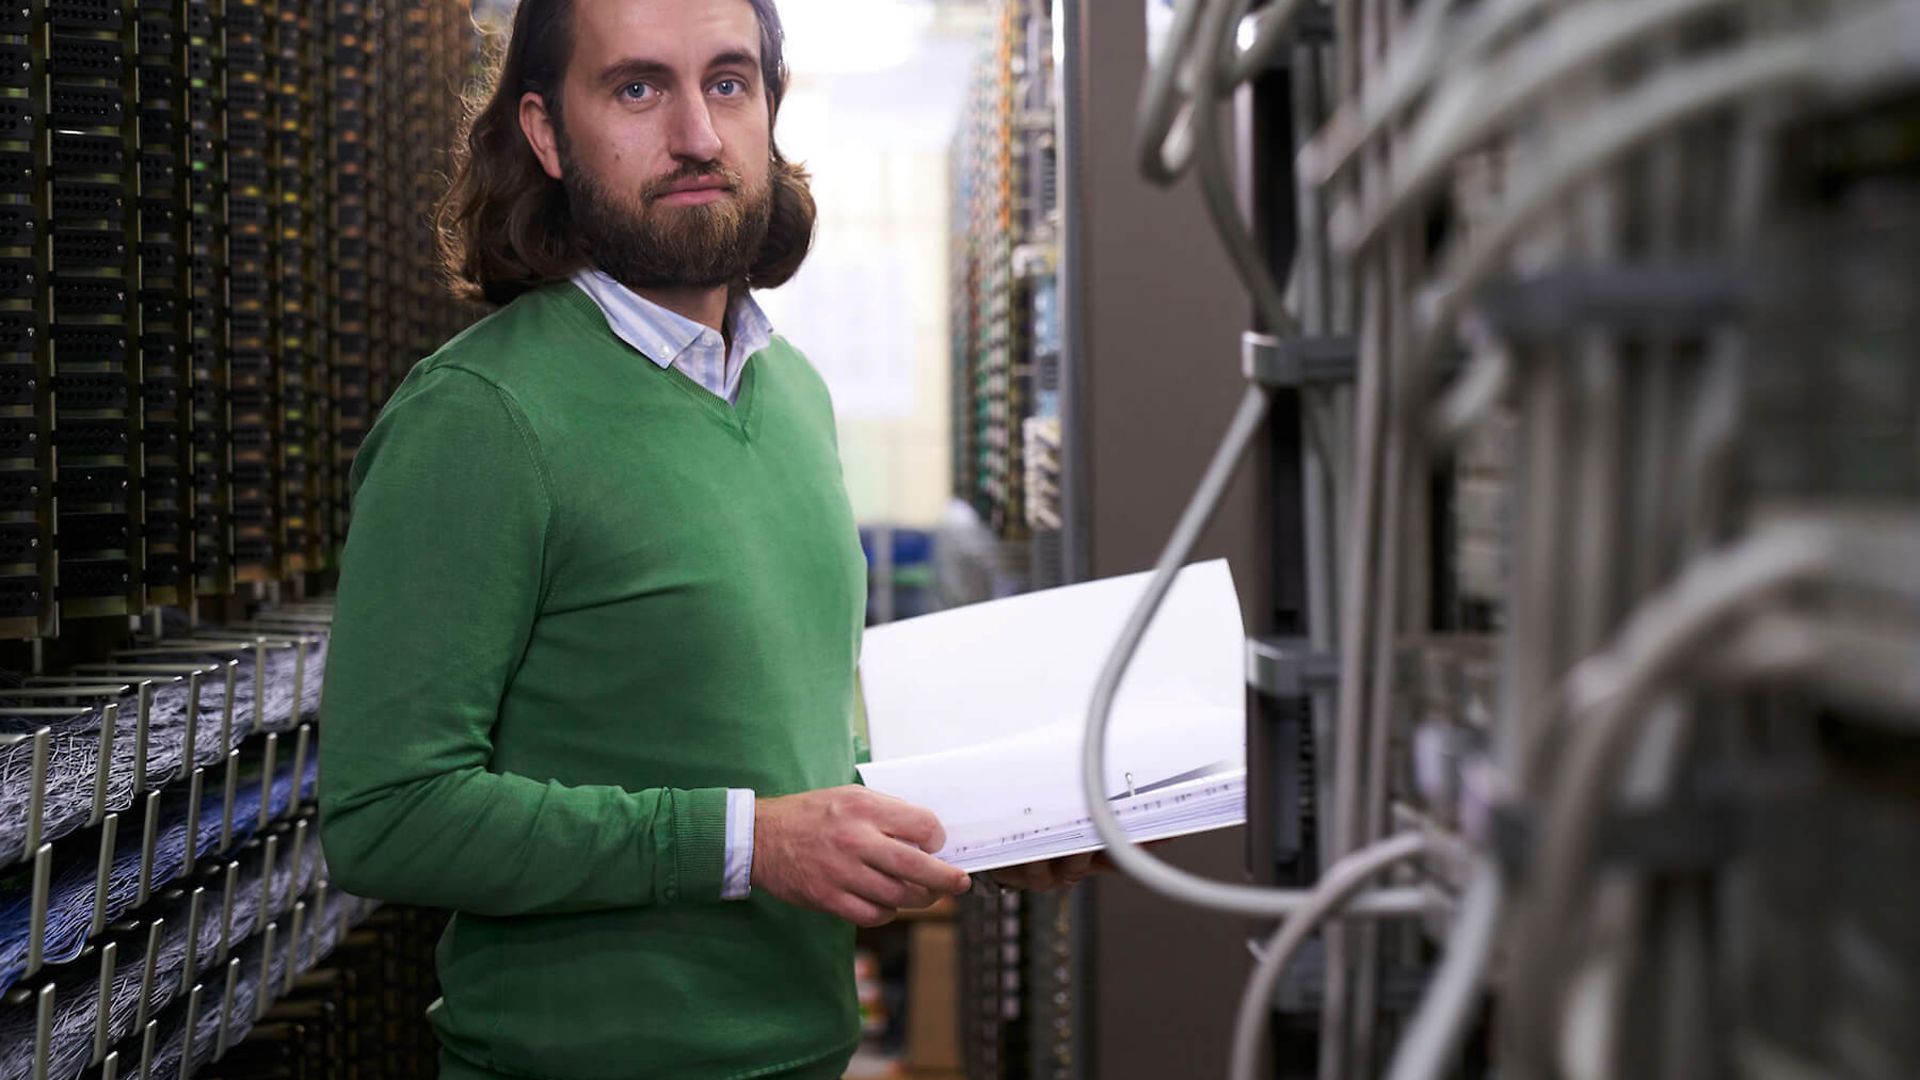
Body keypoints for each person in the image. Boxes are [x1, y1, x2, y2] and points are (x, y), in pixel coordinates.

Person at [315, 1, 1096, 1077]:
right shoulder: (479, 417)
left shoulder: (796, 398)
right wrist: (749, 845)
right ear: (545, 133)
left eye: (729, 83)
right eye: (638, 88)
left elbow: (778, 765)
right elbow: (387, 816)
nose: (696, 134)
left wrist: (976, 829)